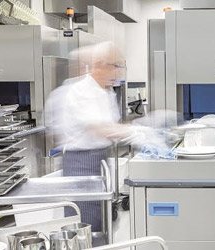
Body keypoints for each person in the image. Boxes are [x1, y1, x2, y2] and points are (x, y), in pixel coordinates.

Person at [45, 42, 146, 231]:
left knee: (100, 220)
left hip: (97, 159)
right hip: (81, 163)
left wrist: (135, 130)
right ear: (101, 64)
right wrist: (140, 133)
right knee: (86, 225)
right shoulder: (83, 91)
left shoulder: (104, 91)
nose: (119, 72)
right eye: (116, 66)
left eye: (121, 66)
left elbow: (110, 127)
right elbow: (100, 129)